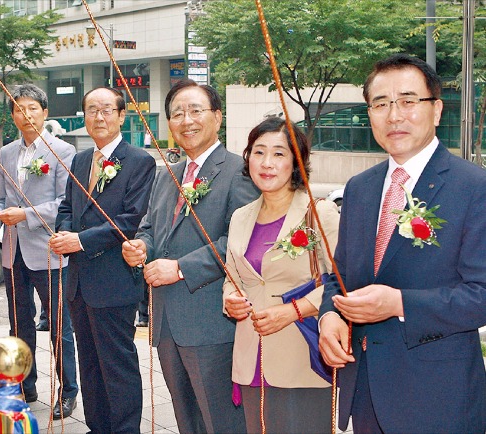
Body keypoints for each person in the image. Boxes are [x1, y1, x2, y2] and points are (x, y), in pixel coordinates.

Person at [319, 54, 486, 433]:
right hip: (364, 393)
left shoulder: (474, 187)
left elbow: (482, 294)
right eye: (381, 104)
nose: (394, 115)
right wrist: (330, 314)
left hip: (438, 399)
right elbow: (340, 275)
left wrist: (398, 303)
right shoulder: (359, 189)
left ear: (437, 109)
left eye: (408, 101)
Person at [122, 79, 258, 433]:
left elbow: (239, 241)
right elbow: (151, 227)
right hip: (167, 321)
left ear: (217, 116)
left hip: (211, 322)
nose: (186, 120)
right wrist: (141, 247)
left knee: (221, 421)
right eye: (177, 113)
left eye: (196, 110)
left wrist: (181, 268)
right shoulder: (169, 173)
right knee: (187, 419)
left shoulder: (238, 172)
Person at [222, 117, 339, 433]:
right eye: (258, 152)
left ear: (296, 161)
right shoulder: (240, 217)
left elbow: (340, 281)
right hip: (250, 358)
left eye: (278, 153)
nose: (267, 163)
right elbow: (233, 276)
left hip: (301, 356)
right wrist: (230, 299)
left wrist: (294, 310)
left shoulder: (318, 212)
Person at [50, 87, 156, 433]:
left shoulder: (140, 161)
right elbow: (67, 208)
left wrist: (79, 240)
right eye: (91, 110)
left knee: (117, 366)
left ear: (122, 116)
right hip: (79, 282)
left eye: (107, 110)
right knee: (90, 364)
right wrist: (63, 234)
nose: (99, 117)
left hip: (114, 280)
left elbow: (129, 220)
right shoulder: (81, 160)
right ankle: (97, 427)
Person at [0, 84, 78, 418]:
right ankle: (25, 385)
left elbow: (64, 203)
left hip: (48, 251)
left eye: (32, 108)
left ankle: (68, 391)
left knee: (58, 327)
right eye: (19, 109)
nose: (25, 115)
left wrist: (24, 214)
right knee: (18, 324)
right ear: (12, 115)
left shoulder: (63, 152)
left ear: (44, 111)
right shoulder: (6, 152)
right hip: (12, 251)